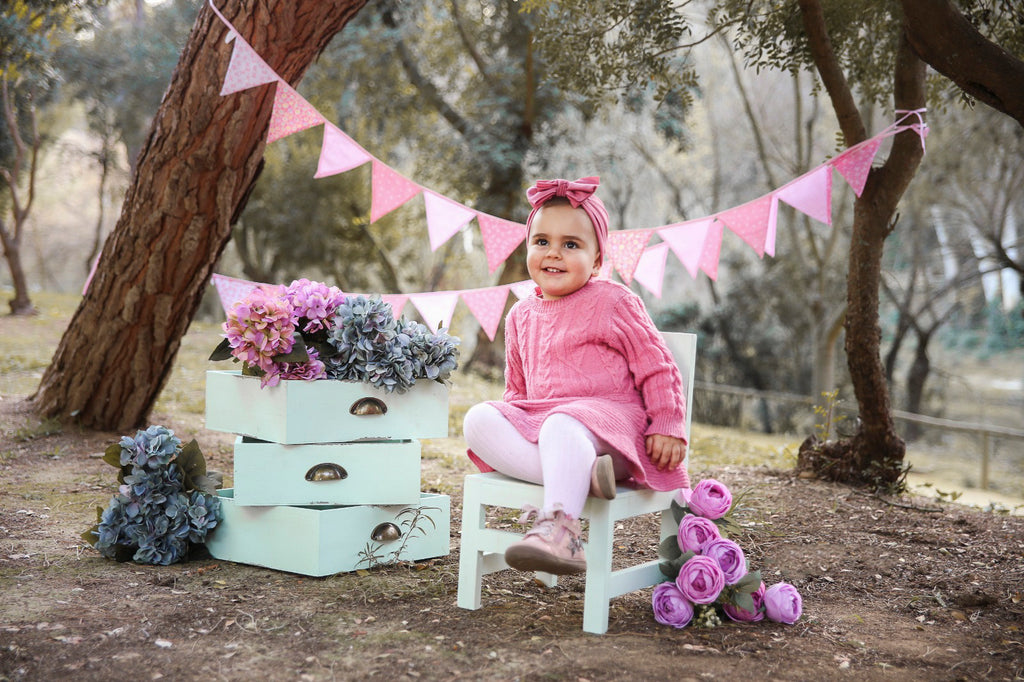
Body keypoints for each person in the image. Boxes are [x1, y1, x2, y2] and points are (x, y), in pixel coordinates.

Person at [463, 176, 689, 576]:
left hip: (614, 427)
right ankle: (581, 473)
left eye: (571, 244)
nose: (554, 253)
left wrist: (668, 423)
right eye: (542, 241)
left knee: (562, 425)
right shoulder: (519, 315)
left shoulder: (614, 301)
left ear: (598, 260)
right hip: (550, 424)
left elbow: (658, 366)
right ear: (528, 247)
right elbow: (517, 390)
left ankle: (561, 533)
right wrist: (511, 422)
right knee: (478, 418)